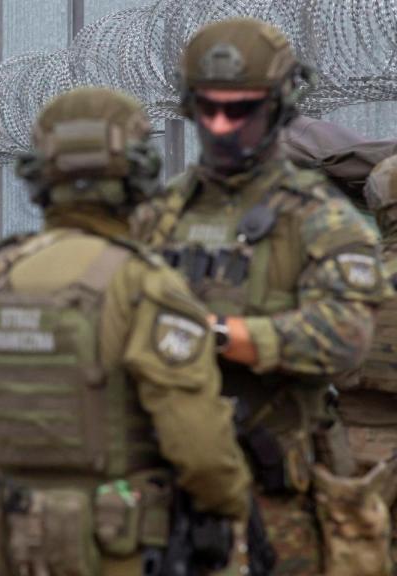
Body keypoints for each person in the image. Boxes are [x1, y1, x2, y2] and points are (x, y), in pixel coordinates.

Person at [0, 87, 251, 575]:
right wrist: (232, 506)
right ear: (138, 173)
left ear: (40, 174)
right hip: (115, 548)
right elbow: (199, 447)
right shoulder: (144, 285)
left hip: (6, 539)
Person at [131, 18, 392, 575]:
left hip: (278, 497)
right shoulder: (160, 217)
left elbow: (346, 337)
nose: (223, 125)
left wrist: (225, 335)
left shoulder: (320, 219)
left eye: (242, 108)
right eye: (209, 108)